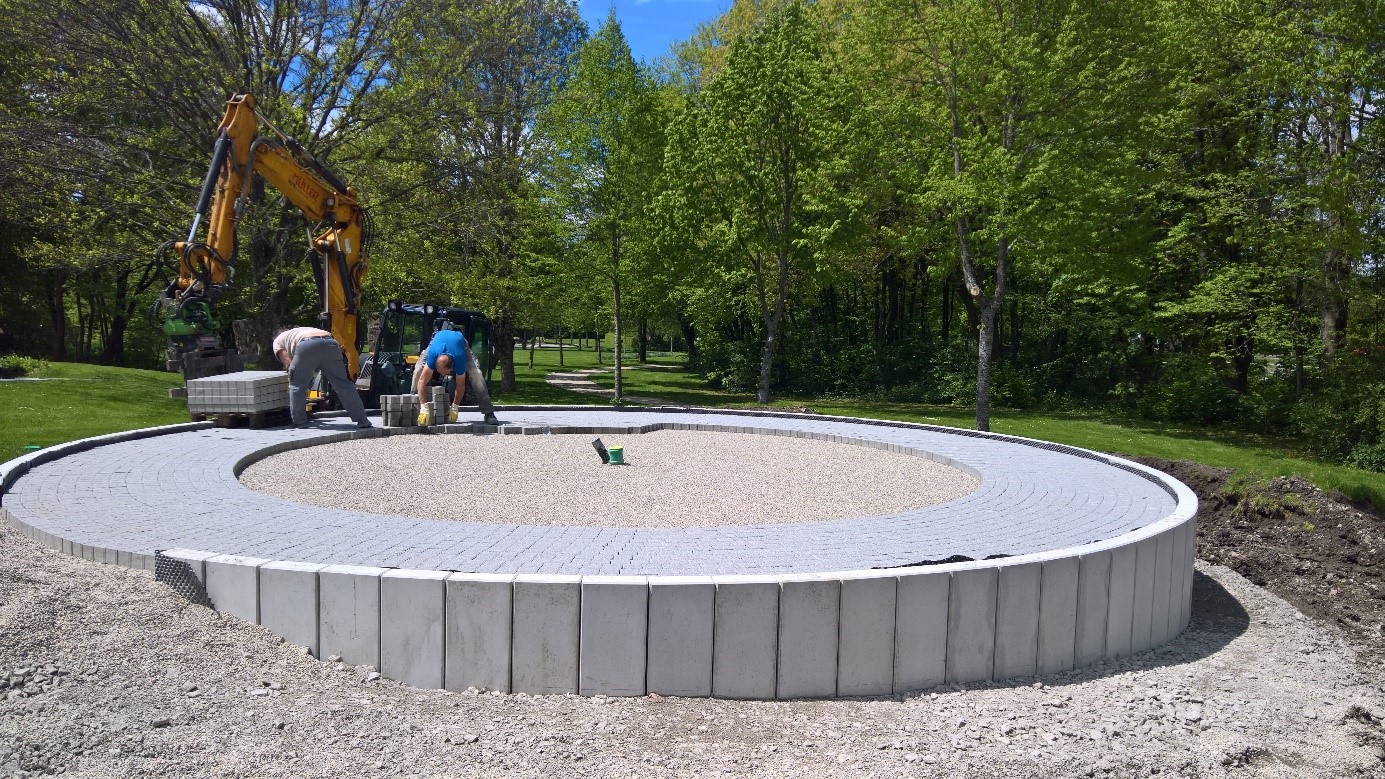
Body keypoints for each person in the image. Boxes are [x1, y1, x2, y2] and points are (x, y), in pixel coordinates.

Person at [271, 326, 372, 429]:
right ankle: (362, 420)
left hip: (307, 345)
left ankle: (299, 422)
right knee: (344, 385)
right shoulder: (300, 330)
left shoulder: (277, 341)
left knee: (297, 386)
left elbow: (288, 362)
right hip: (330, 342)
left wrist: (295, 373)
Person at [411, 325, 499, 425]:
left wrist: (455, 407)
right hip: (436, 341)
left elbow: (460, 385)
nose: (440, 374)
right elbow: (422, 381)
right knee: (418, 370)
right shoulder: (433, 356)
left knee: (476, 374)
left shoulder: (459, 360)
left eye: (442, 372)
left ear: (451, 368)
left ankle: (489, 413)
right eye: (438, 370)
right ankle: (412, 402)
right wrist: (424, 407)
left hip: (460, 343)